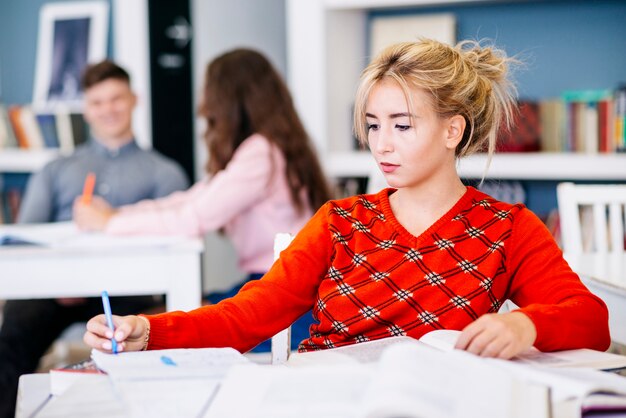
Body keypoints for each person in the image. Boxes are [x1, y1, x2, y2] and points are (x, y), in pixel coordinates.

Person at [83, 39, 610, 360]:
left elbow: (592, 322)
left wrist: (526, 324)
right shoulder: (341, 222)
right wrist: (150, 330)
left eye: (402, 125)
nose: (381, 144)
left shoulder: (508, 228)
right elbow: (247, 316)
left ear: (454, 131)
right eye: (373, 125)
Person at [74, 49, 332, 350]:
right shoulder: (264, 148)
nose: (205, 106)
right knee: (167, 318)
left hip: (284, 297)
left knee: (162, 325)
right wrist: (117, 214)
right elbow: (189, 200)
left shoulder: (259, 153)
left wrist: (110, 223)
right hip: (278, 286)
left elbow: (192, 217)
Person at [0, 60, 188, 418]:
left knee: (148, 333)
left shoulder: (165, 173)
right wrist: (57, 280)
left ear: (134, 100)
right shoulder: (55, 170)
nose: (108, 110)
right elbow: (25, 239)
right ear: (86, 108)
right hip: (56, 291)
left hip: (129, 291)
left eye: (116, 98)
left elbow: (174, 237)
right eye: (97, 102)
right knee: (12, 336)